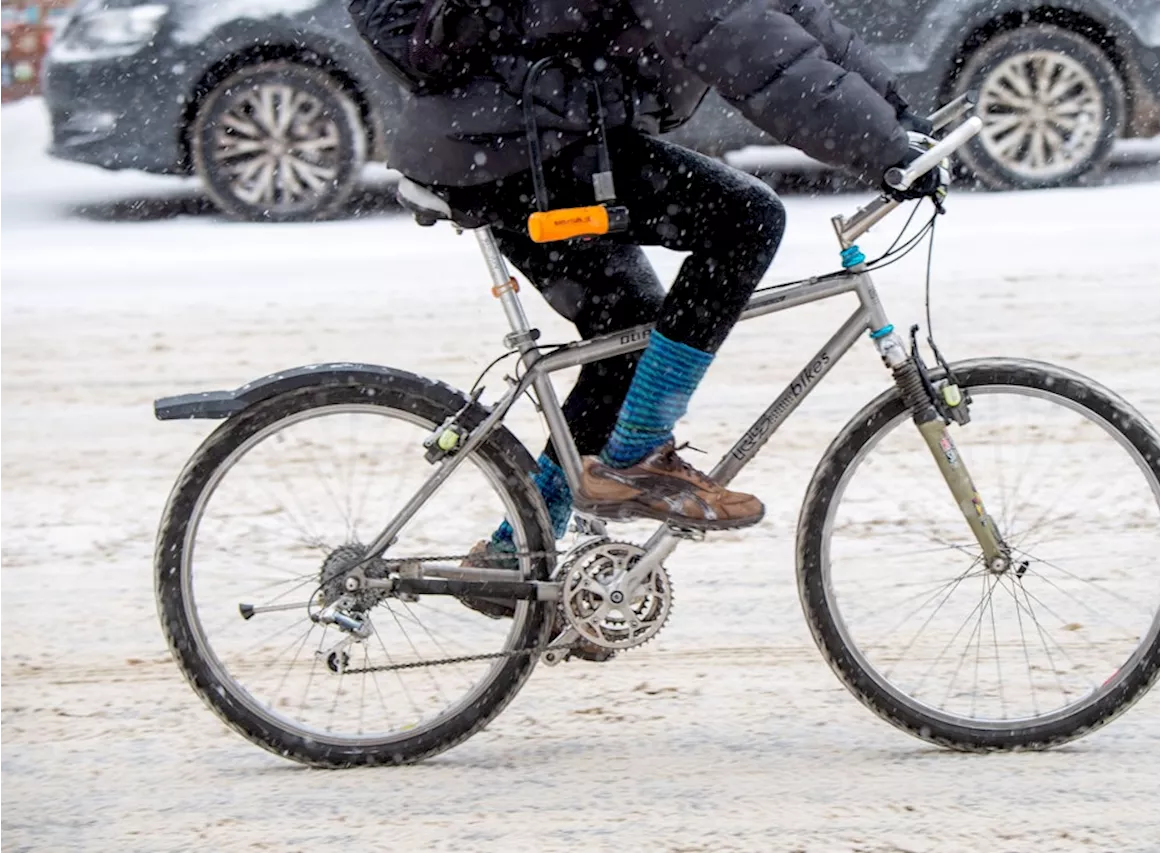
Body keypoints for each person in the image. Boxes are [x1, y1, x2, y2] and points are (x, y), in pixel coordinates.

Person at [389, 0, 941, 562]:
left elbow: (798, 19)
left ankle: (516, 555)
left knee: (630, 335)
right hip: (516, 148)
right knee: (746, 220)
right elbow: (746, 49)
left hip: (519, 140)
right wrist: (882, 151)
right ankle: (638, 456)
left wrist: (899, 121)